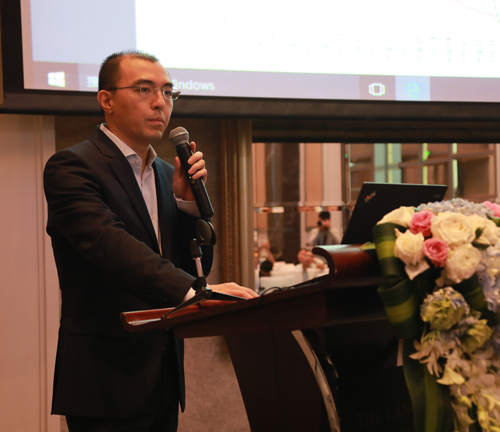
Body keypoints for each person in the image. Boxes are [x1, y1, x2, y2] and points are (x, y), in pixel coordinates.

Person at [43, 50, 257, 432]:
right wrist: (198, 293)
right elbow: (112, 247)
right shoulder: (72, 167)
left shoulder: (165, 173)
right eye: (145, 89)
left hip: (163, 376)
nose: (160, 102)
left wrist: (187, 206)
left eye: (168, 92)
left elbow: (194, 268)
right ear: (106, 100)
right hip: (105, 378)